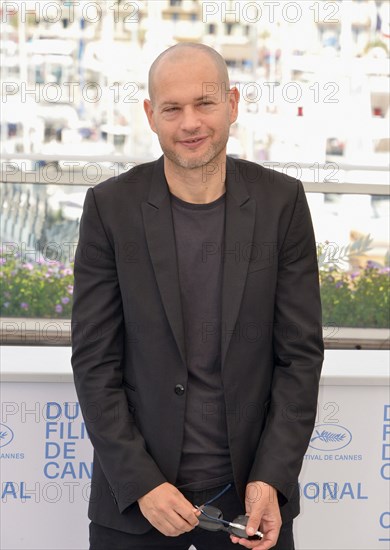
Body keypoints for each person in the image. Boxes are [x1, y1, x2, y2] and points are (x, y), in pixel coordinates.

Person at [71, 43, 324, 550]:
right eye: (172, 108)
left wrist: (270, 478)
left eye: (204, 104)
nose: (190, 123)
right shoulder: (110, 207)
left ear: (232, 103)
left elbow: (299, 356)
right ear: (150, 115)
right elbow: (95, 361)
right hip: (136, 504)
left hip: (251, 505)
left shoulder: (282, 203)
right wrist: (142, 482)